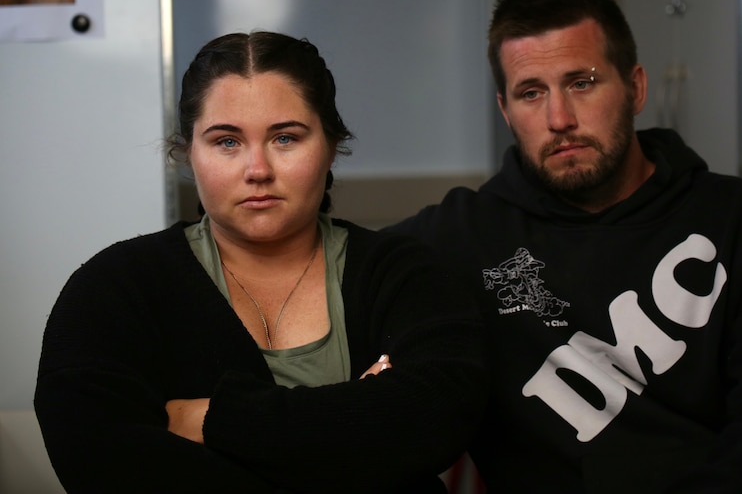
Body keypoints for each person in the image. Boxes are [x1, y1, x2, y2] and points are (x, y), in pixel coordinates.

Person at [388, 0, 742, 493]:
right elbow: (316, 267)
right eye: (531, 93)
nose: (559, 118)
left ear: (636, 87)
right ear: (506, 112)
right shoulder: (460, 237)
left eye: (583, 82)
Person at [34, 31, 487, 494]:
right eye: (227, 142)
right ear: (189, 151)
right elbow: (99, 460)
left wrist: (211, 420)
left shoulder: (404, 274)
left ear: (331, 146)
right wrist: (351, 425)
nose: (257, 170)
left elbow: (436, 420)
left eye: (285, 138)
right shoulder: (115, 288)